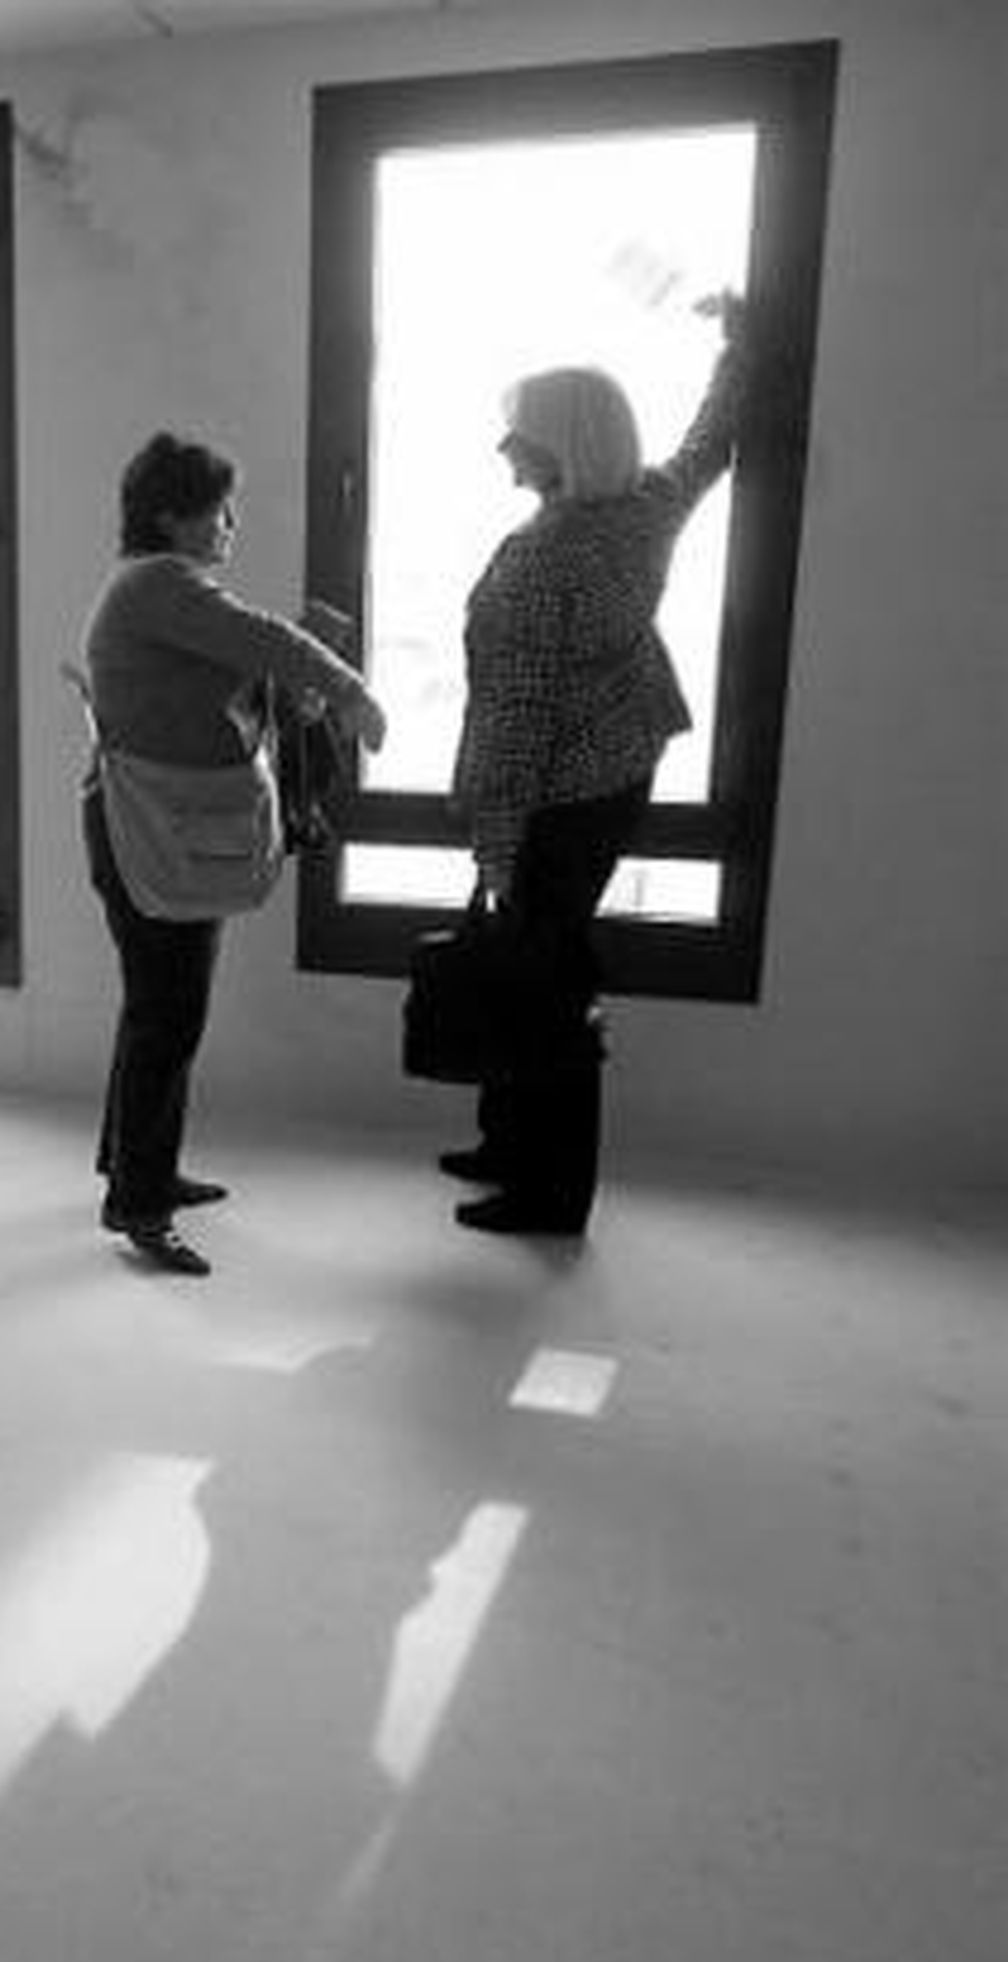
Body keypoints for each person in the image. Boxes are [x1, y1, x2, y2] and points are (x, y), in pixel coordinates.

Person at [444, 293, 749, 1235]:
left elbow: (521, 722)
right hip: (616, 770)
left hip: (557, 795)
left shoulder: (545, 559)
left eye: (518, 434)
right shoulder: (642, 508)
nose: (503, 448)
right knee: (539, 967)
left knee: (547, 983)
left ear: (561, 448)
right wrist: (738, 349)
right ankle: (508, 1144)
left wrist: (498, 848)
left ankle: (548, 1191)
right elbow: (709, 443)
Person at [80, 431, 387, 1276]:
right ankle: (140, 1203)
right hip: (154, 828)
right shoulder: (159, 583)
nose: (231, 526)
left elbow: (229, 670)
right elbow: (264, 640)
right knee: (167, 1015)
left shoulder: (155, 588)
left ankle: (133, 1168)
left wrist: (296, 686)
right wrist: (352, 694)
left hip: (162, 825)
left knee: (156, 1008)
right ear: (170, 517)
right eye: (219, 511)